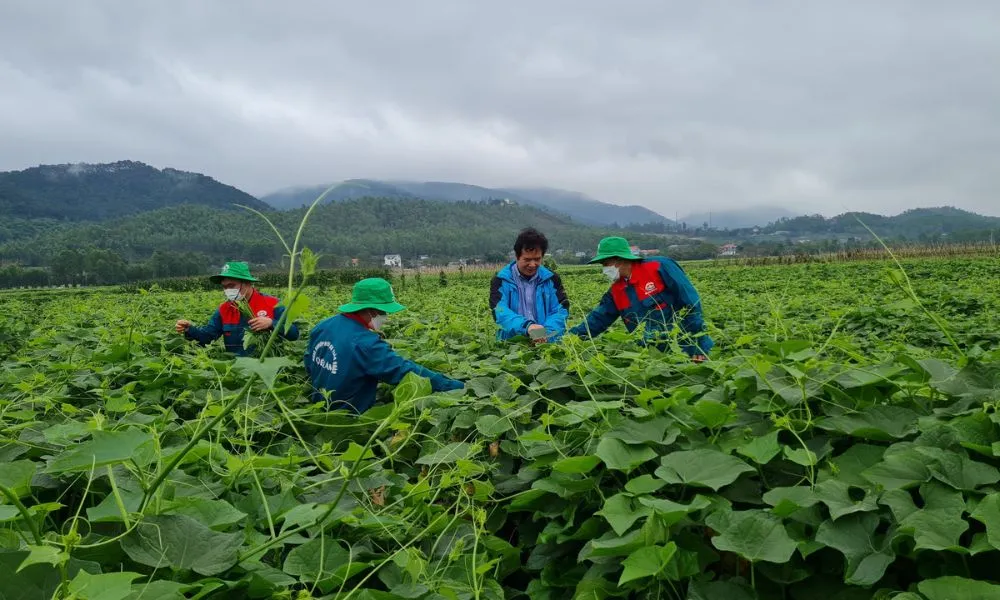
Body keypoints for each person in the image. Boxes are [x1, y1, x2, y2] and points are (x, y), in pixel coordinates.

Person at [304, 277, 464, 414]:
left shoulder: (323, 326)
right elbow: (404, 370)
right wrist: (454, 386)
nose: (385, 317)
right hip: (350, 418)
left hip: (318, 405)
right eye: (383, 312)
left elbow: (308, 362)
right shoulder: (365, 344)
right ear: (371, 311)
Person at [569, 237, 713, 361]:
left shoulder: (659, 267)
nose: (604, 269)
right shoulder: (616, 291)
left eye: (606, 264)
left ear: (619, 259)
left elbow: (691, 303)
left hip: (685, 349)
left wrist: (696, 346)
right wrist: (568, 339)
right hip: (651, 358)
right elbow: (597, 320)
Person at [175, 261, 300, 356]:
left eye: (231, 285)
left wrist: (272, 323)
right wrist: (189, 329)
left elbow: (294, 333)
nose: (227, 290)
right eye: (224, 287)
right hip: (236, 371)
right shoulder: (224, 309)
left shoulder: (272, 304)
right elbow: (207, 337)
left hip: (268, 367)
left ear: (247, 283)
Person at [489, 227, 570, 343]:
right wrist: (527, 327)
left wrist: (545, 334)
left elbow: (560, 311)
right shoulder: (501, 280)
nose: (532, 264)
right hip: (511, 346)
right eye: (527, 259)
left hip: (546, 344)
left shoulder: (552, 279)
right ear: (517, 257)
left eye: (537, 259)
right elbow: (500, 312)